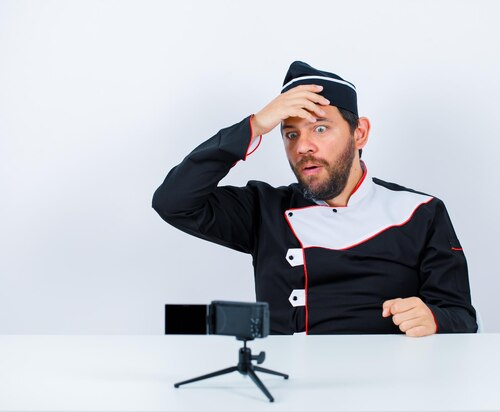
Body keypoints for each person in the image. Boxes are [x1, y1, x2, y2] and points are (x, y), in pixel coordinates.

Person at [153, 61, 477, 337]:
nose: (303, 146)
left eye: (320, 129)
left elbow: (462, 318)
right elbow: (173, 201)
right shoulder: (263, 210)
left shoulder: (420, 212)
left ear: (359, 133)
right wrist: (255, 125)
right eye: (291, 134)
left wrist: (435, 319)